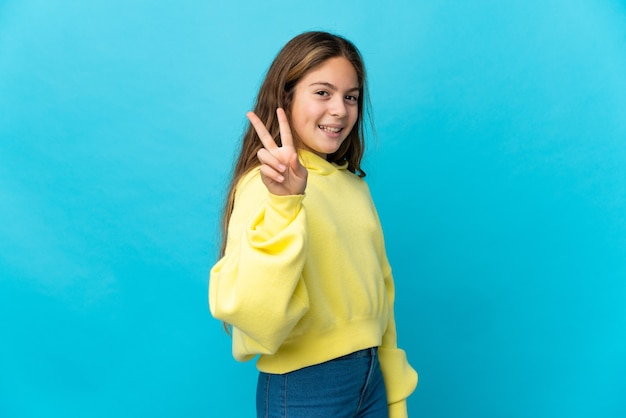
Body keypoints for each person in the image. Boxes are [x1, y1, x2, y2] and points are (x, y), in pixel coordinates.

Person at [209, 31, 418, 418]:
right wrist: (286, 205)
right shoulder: (265, 186)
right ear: (285, 97)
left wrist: (392, 392)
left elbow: (381, 293)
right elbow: (254, 310)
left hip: (369, 378)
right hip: (305, 385)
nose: (340, 109)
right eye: (322, 93)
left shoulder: (353, 188)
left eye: (350, 96)